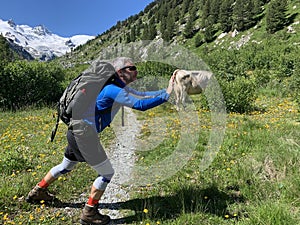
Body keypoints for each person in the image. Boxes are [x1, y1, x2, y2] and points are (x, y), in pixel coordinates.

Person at [26, 57, 175, 225]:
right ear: (120, 72)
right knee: (106, 173)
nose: (136, 70)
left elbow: (142, 95)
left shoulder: (117, 88)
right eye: (132, 68)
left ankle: (38, 191)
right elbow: (141, 104)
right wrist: (168, 95)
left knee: (66, 166)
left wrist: (168, 90)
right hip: (84, 135)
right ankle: (90, 213)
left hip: (75, 132)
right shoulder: (112, 89)